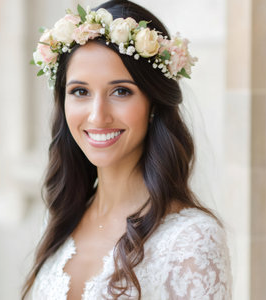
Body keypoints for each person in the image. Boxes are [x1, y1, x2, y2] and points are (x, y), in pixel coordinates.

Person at [23, 0, 232, 299]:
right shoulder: (62, 216)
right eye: (80, 91)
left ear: (153, 103)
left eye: (121, 91)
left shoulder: (191, 240)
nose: (97, 116)